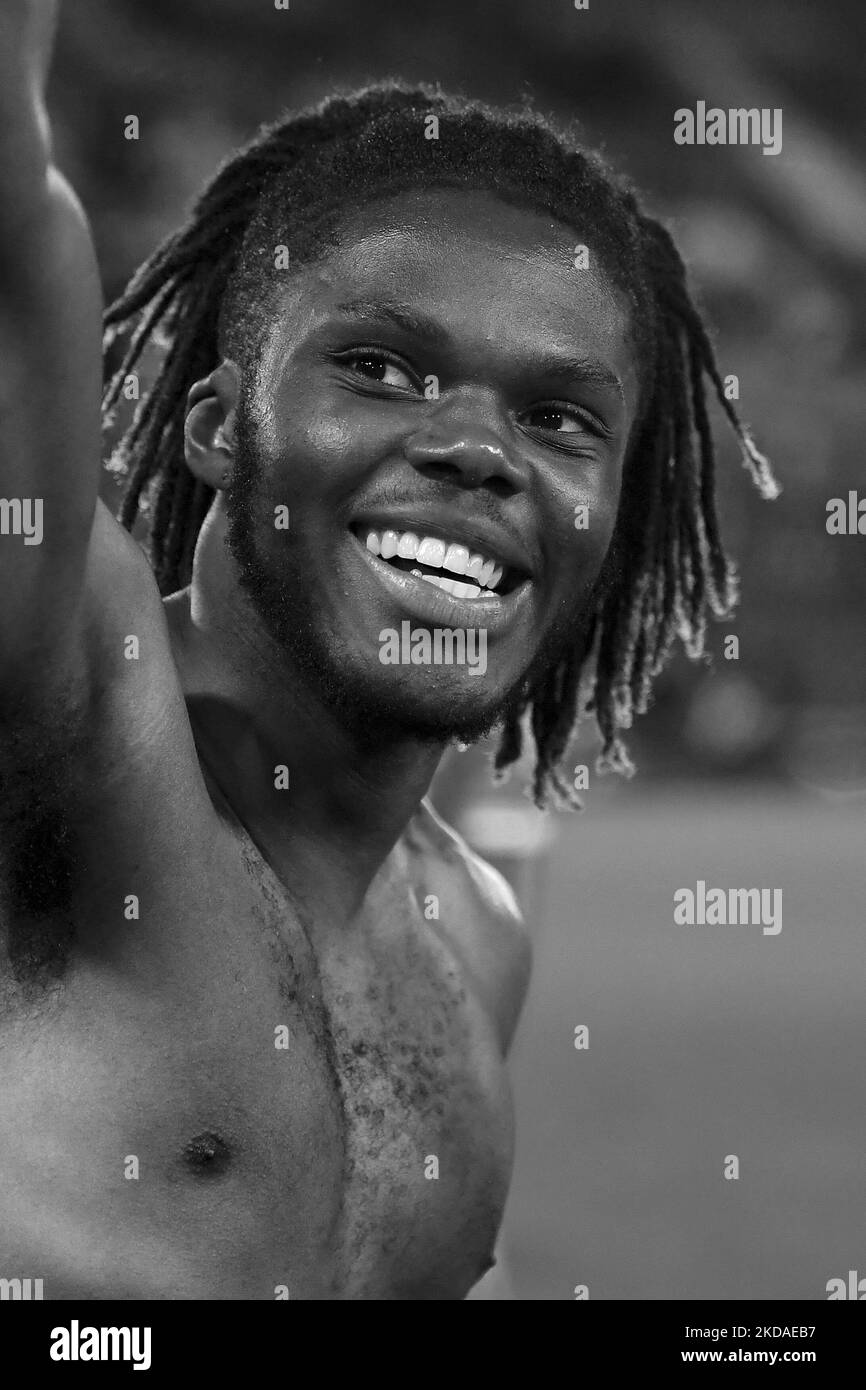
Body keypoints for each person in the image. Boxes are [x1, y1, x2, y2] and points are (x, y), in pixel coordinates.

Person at [0, 1, 777, 1300]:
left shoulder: (476, 943)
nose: (479, 447)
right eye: (376, 365)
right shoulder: (63, 738)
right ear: (213, 427)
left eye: (558, 418)